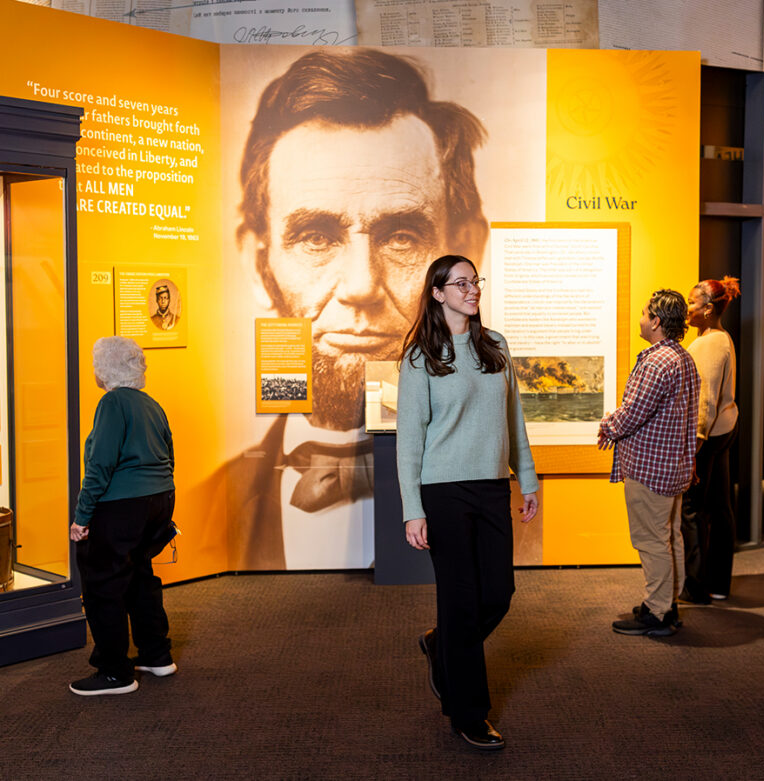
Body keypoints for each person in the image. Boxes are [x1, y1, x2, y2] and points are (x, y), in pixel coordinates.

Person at [226, 49, 490, 570]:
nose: (361, 286)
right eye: (316, 237)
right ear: (260, 267)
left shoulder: (518, 507)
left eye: (402, 236)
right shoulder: (212, 502)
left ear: (467, 254)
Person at [397, 255, 538, 750]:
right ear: (438, 293)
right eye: (461, 283)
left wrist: (529, 478)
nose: (472, 289)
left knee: (498, 592)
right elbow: (409, 439)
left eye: (475, 280)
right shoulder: (420, 357)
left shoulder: (495, 345)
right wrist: (412, 508)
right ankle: (470, 713)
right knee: (459, 600)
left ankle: (441, 645)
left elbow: (513, 418)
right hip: (444, 492)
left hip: (492, 486)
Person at [68, 336, 177, 695]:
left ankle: (115, 672)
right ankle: (156, 656)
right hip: (159, 498)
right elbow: (169, 453)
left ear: (104, 368)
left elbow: (100, 464)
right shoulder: (151, 404)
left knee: (102, 583)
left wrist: (82, 517)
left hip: (121, 506)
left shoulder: (112, 402)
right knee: (140, 575)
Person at [599, 289, 700, 636]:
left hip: (651, 469)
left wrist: (608, 426)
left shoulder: (658, 362)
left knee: (651, 540)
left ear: (656, 321)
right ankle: (666, 603)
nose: (641, 319)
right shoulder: (682, 358)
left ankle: (658, 613)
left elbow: (635, 411)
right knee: (669, 536)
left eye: (644, 314)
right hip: (672, 468)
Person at [680, 276, 740, 603]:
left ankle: (697, 585)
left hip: (710, 436)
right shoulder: (719, 337)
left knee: (693, 509)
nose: (686, 309)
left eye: (692, 303)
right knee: (719, 506)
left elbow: (704, 401)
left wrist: (694, 448)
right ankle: (717, 583)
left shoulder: (709, 344)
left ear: (707, 309)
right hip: (725, 429)